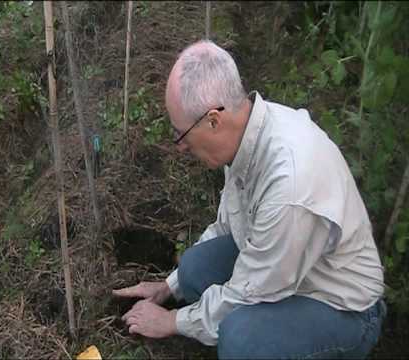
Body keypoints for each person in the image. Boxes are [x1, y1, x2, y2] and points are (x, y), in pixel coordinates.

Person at [112, 40, 386, 359]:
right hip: (290, 270)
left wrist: (173, 321)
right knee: (193, 269)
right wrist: (168, 287)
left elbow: (253, 290)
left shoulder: (290, 184)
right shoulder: (248, 134)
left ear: (213, 120)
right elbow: (230, 224)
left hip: (342, 306)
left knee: (241, 340)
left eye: (181, 135)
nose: (180, 148)